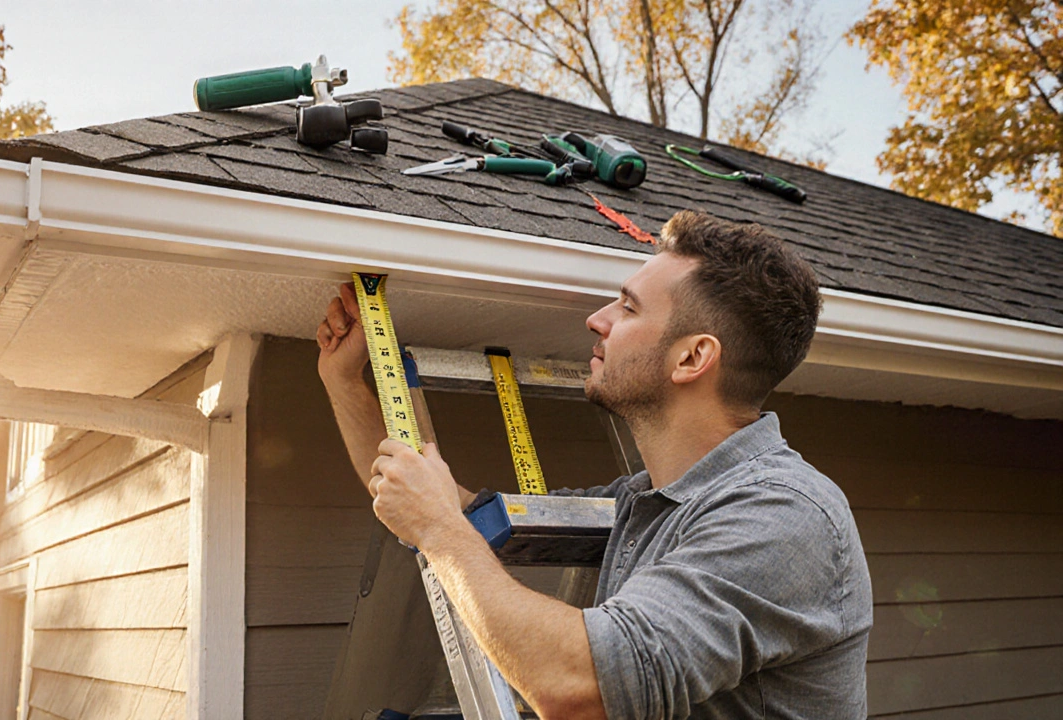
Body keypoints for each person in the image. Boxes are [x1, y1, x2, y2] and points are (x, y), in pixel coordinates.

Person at [316, 210, 873, 720]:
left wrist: (437, 529)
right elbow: (450, 510)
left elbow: (578, 685)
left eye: (628, 307)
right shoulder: (644, 502)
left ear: (693, 358)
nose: (597, 319)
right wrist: (344, 383)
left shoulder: (781, 515)